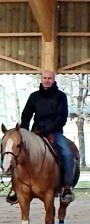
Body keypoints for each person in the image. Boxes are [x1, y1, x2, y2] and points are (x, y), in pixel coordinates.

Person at [6, 70, 76, 204]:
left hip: (55, 132)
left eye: (49, 78)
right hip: (35, 132)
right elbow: (26, 115)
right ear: (41, 79)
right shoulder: (34, 96)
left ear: (53, 79)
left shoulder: (61, 96)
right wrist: (25, 133)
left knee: (67, 154)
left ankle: (67, 187)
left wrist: (48, 129)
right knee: (18, 152)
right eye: (44, 78)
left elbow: (62, 117)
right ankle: (15, 187)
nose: (47, 80)